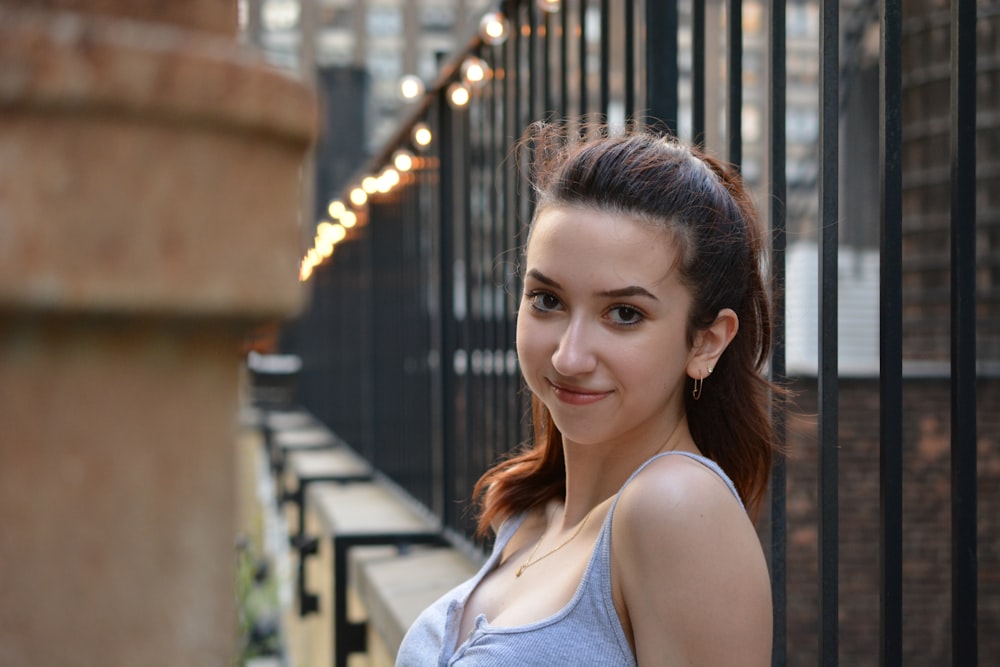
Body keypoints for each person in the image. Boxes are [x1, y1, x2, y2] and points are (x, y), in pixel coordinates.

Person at [396, 123, 777, 666]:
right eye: (546, 300)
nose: (568, 357)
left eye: (624, 314)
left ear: (706, 342)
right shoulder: (529, 517)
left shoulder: (676, 506)